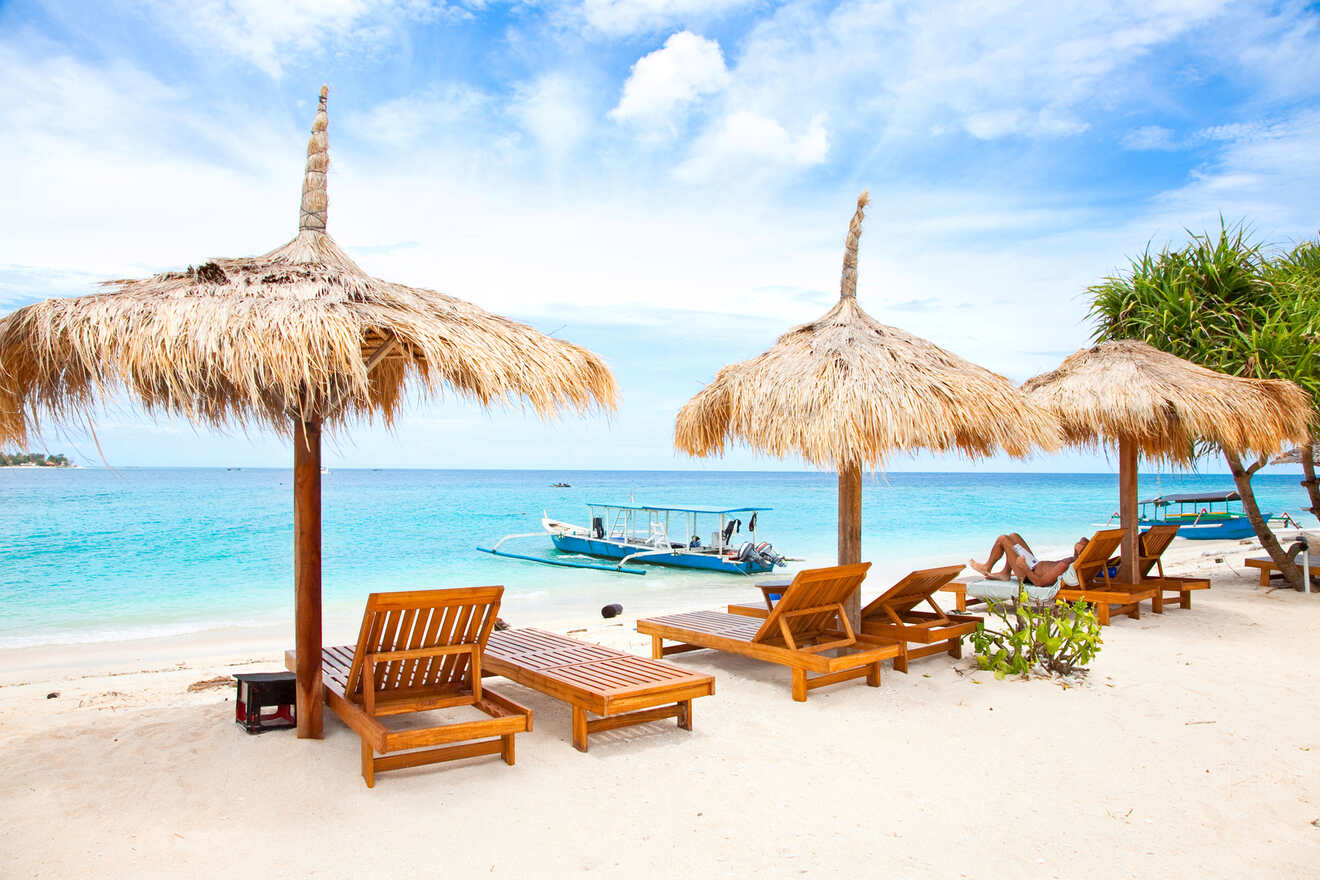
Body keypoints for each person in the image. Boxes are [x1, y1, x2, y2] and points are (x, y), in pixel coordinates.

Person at [968, 533, 1090, 587]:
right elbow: (1084, 539)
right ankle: (1005, 573)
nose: (1079, 542)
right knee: (1014, 536)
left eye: (1081, 545)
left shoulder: (1064, 565)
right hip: (1034, 564)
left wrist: (1024, 567)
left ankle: (987, 567)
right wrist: (1078, 549)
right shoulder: (1076, 560)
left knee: (1003, 539)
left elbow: (1040, 583)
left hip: (1027, 575)